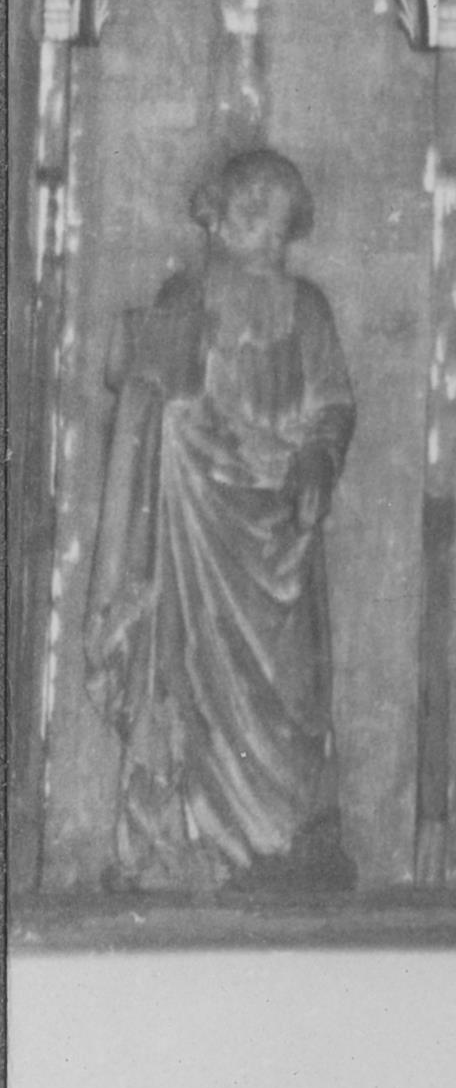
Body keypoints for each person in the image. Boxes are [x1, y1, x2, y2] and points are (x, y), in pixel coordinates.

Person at [86, 143, 356, 893]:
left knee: (291, 693)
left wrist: (316, 460)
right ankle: (193, 835)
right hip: (198, 529)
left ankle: (285, 837)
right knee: (193, 677)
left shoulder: (307, 308)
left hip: (281, 531)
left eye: (277, 218)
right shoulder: (188, 295)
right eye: (249, 210)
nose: (263, 230)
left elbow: (334, 405)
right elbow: (146, 400)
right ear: (217, 214)